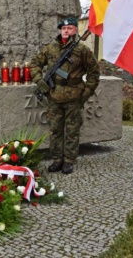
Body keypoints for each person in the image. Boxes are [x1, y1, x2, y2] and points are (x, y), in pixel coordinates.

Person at [30, 17, 100, 174]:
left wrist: (85, 93)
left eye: (69, 28)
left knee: (72, 130)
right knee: (55, 130)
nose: (66, 30)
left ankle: (69, 160)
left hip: (74, 97)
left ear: (75, 30)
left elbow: (94, 73)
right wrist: (41, 83)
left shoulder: (82, 50)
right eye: (63, 28)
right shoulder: (50, 48)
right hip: (54, 96)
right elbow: (34, 64)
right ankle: (57, 159)